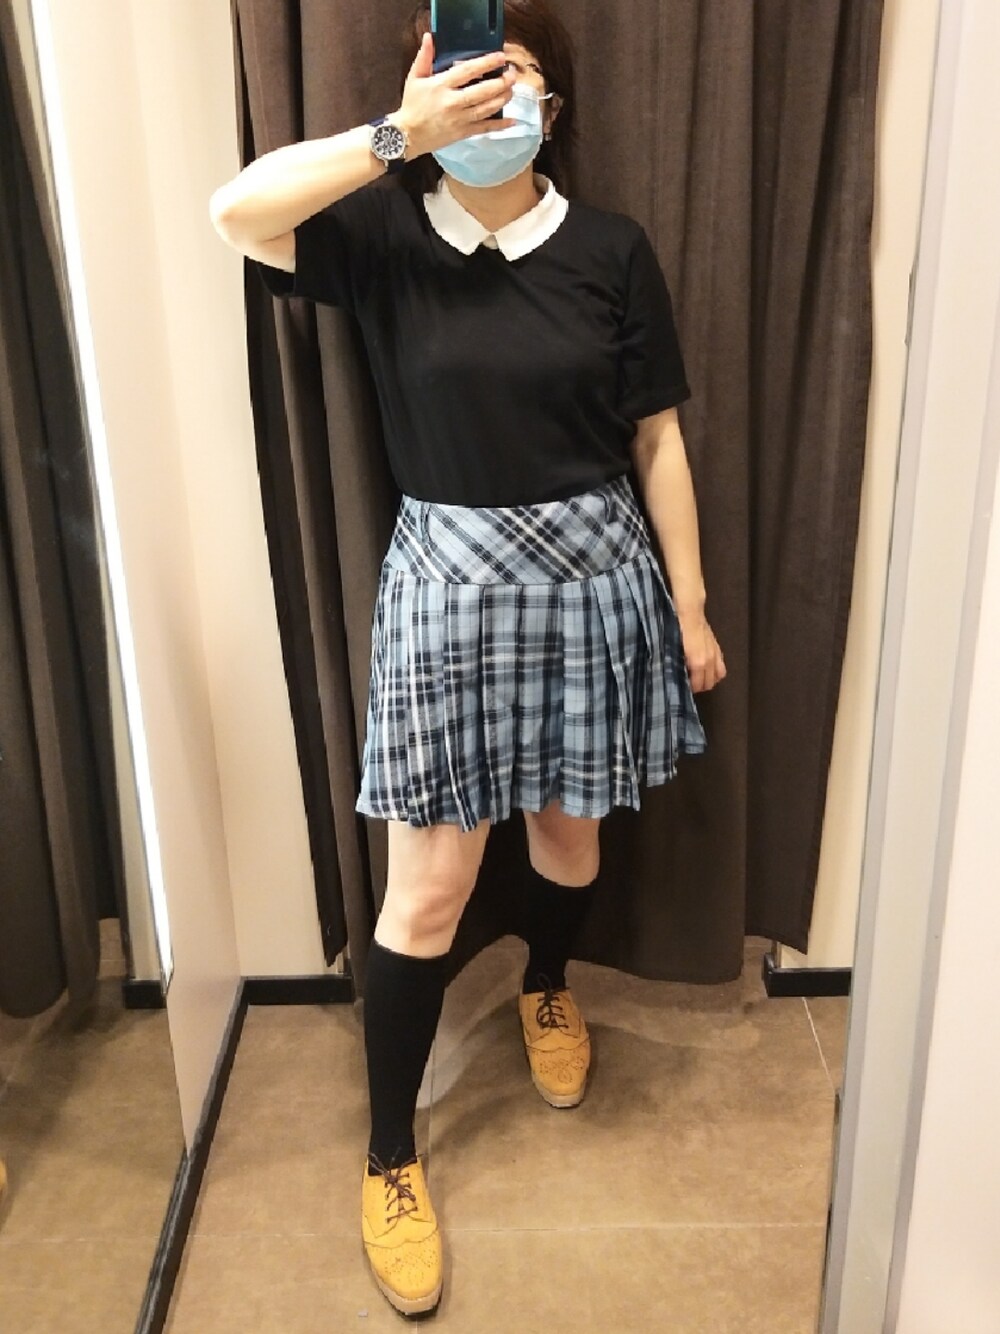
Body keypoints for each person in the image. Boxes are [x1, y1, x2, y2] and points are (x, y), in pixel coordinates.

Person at [211, 0, 725, 1318]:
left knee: (569, 837)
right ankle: (390, 1156)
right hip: (447, 589)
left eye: (513, 80)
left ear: (553, 109)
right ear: (427, 95)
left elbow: (658, 436)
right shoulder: (384, 237)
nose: (490, 101)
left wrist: (691, 604)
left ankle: (547, 985)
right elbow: (236, 213)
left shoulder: (610, 248)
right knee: (430, 891)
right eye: (464, 79)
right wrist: (398, 136)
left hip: (597, 581)